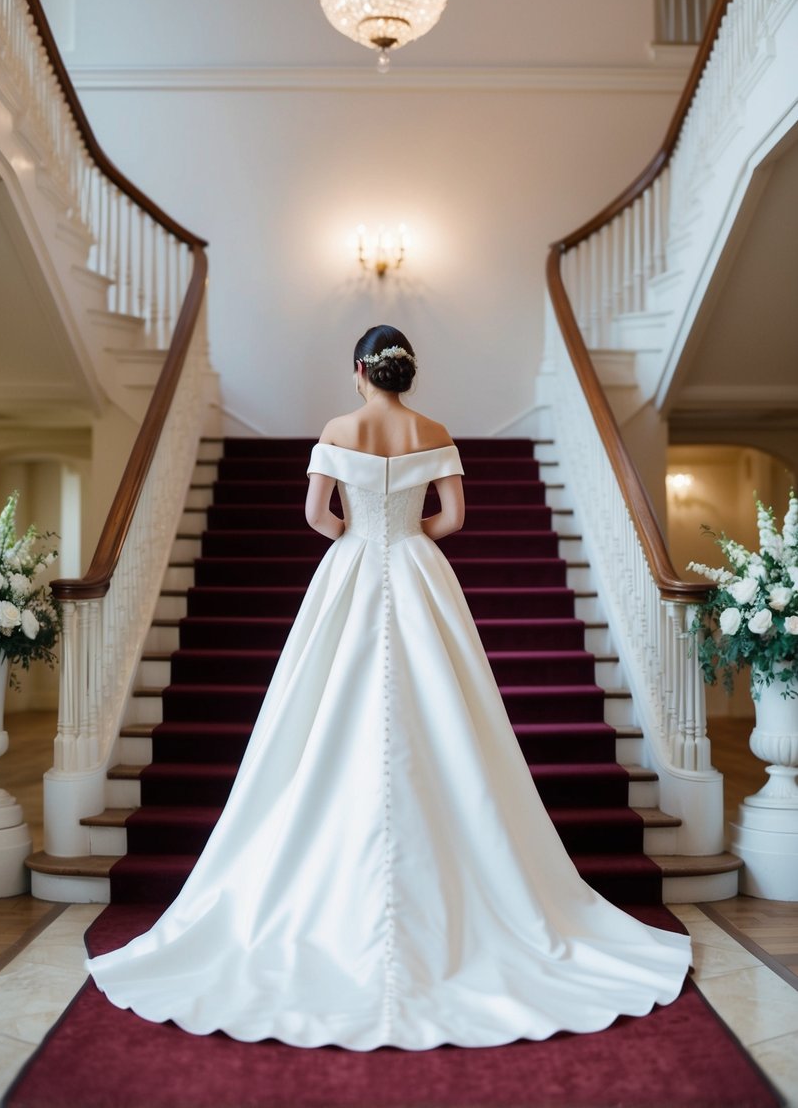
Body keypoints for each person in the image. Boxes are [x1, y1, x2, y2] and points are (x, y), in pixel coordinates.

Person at [85, 324, 692, 1050]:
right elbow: (455, 516)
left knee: (319, 716)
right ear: (406, 373)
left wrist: (358, 533)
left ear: (359, 371)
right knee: (445, 715)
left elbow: (316, 515)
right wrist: (406, 532)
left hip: (350, 566)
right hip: (416, 567)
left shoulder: (340, 427)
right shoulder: (432, 428)